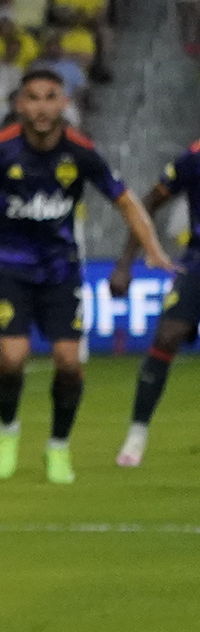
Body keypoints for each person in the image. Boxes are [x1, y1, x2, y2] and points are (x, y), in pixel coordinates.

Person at [0, 69, 173, 483]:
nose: (41, 107)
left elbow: (126, 200)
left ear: (63, 103)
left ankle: (58, 446)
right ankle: (7, 431)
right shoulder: (0, 151)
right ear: (20, 105)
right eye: (33, 98)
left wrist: (151, 247)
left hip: (60, 269)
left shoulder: (80, 151)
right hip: (10, 266)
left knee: (69, 361)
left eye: (50, 97)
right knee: (12, 356)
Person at [110, 142, 200, 467]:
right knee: (167, 336)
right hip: (197, 260)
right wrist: (125, 263)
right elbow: (147, 203)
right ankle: (137, 434)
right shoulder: (193, 158)